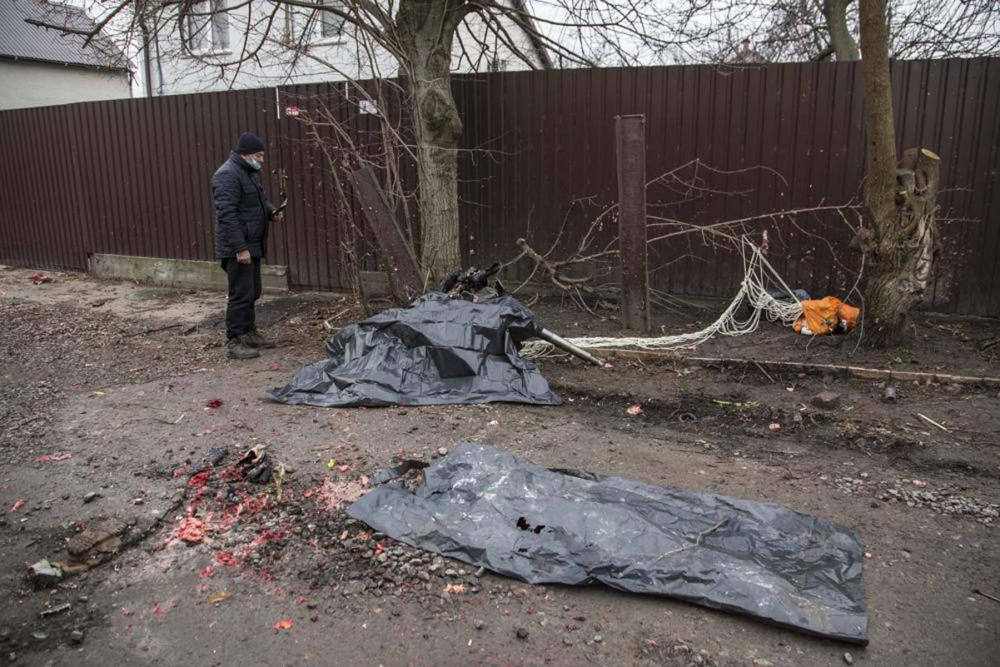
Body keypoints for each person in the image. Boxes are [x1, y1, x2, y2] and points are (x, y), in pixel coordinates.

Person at [212, 132, 284, 359]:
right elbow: (227, 215)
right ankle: (234, 340)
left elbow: (258, 200)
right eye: (259, 155)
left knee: (252, 291)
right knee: (240, 294)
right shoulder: (226, 175)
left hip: (252, 244)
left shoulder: (246, 173)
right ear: (246, 154)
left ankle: (249, 333)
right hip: (239, 247)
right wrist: (239, 248)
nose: (262, 160)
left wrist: (272, 211)